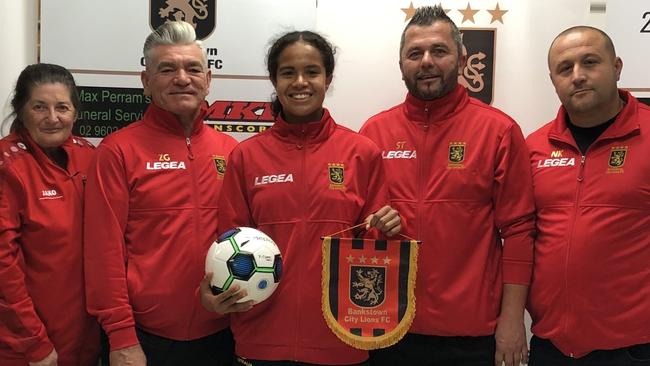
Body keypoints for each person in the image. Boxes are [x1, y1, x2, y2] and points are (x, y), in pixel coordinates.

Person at [199, 30, 401, 365]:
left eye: (312, 71)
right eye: (288, 72)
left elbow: (373, 246)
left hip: (341, 341)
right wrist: (212, 295)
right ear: (274, 79)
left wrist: (386, 228)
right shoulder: (247, 156)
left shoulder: (361, 153)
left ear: (328, 78)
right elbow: (227, 244)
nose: (300, 82)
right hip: (261, 341)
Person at [359, 5, 536, 366]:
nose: (426, 61)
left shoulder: (498, 130)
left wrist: (513, 319)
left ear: (461, 59)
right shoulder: (373, 133)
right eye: (415, 53)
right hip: (388, 328)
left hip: (470, 335)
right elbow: (357, 226)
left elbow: (518, 231)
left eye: (438, 51)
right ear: (401, 64)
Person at [83, 21, 238, 366]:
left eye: (193, 68)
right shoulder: (118, 151)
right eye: (167, 68)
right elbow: (102, 253)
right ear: (146, 82)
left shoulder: (230, 150)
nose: (182, 78)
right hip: (145, 340)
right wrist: (122, 338)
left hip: (223, 334)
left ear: (208, 80)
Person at [525, 26, 650, 366]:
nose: (577, 76)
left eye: (589, 62)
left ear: (617, 67)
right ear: (553, 80)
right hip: (550, 346)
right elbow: (522, 236)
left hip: (633, 350)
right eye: (565, 68)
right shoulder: (533, 147)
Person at [0, 64, 99, 365]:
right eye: (40, 107)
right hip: (28, 347)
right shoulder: (8, 167)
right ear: (21, 109)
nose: (53, 118)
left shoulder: (89, 156)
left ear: (76, 112)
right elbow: (3, 266)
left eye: (62, 107)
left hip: (86, 338)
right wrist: (34, 343)